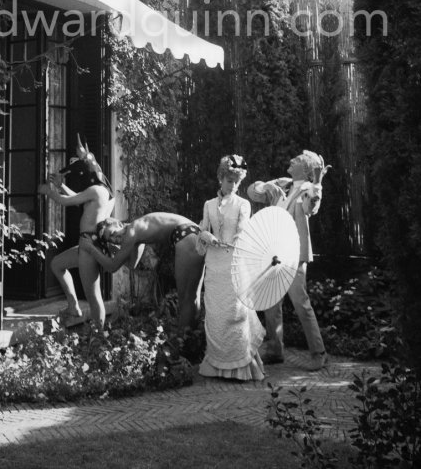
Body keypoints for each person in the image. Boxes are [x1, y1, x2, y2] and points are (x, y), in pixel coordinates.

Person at [247, 150, 330, 371]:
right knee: (271, 301)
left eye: (295, 160)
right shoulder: (283, 185)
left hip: (294, 256)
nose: (290, 160)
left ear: (304, 168)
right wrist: (265, 186)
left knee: (300, 303)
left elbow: (310, 207)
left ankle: (319, 353)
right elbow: (251, 192)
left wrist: (318, 182)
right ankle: (275, 349)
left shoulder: (306, 189)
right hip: (275, 255)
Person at [195, 155, 265, 381]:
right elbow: (202, 234)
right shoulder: (208, 205)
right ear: (220, 178)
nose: (233, 185)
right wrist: (205, 235)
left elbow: (244, 231)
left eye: (236, 181)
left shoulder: (243, 204)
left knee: (236, 315)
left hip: (234, 265)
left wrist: (235, 239)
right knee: (216, 315)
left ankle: (241, 367)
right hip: (214, 268)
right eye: (229, 180)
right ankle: (215, 365)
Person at [80, 212, 205, 332]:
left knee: (187, 299)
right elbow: (132, 265)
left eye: (112, 233)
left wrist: (91, 249)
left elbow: (112, 267)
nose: (114, 239)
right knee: (191, 298)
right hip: (191, 233)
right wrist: (114, 251)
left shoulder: (132, 231)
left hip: (186, 234)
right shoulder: (137, 232)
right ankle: (191, 339)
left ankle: (185, 342)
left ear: (117, 223)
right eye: (111, 240)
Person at [38, 137, 114, 326]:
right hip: (86, 243)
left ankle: (99, 337)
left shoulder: (96, 190)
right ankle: (73, 307)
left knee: (94, 297)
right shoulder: (102, 190)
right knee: (57, 264)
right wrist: (61, 185)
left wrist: (48, 191)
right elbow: (79, 198)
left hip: (89, 245)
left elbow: (66, 202)